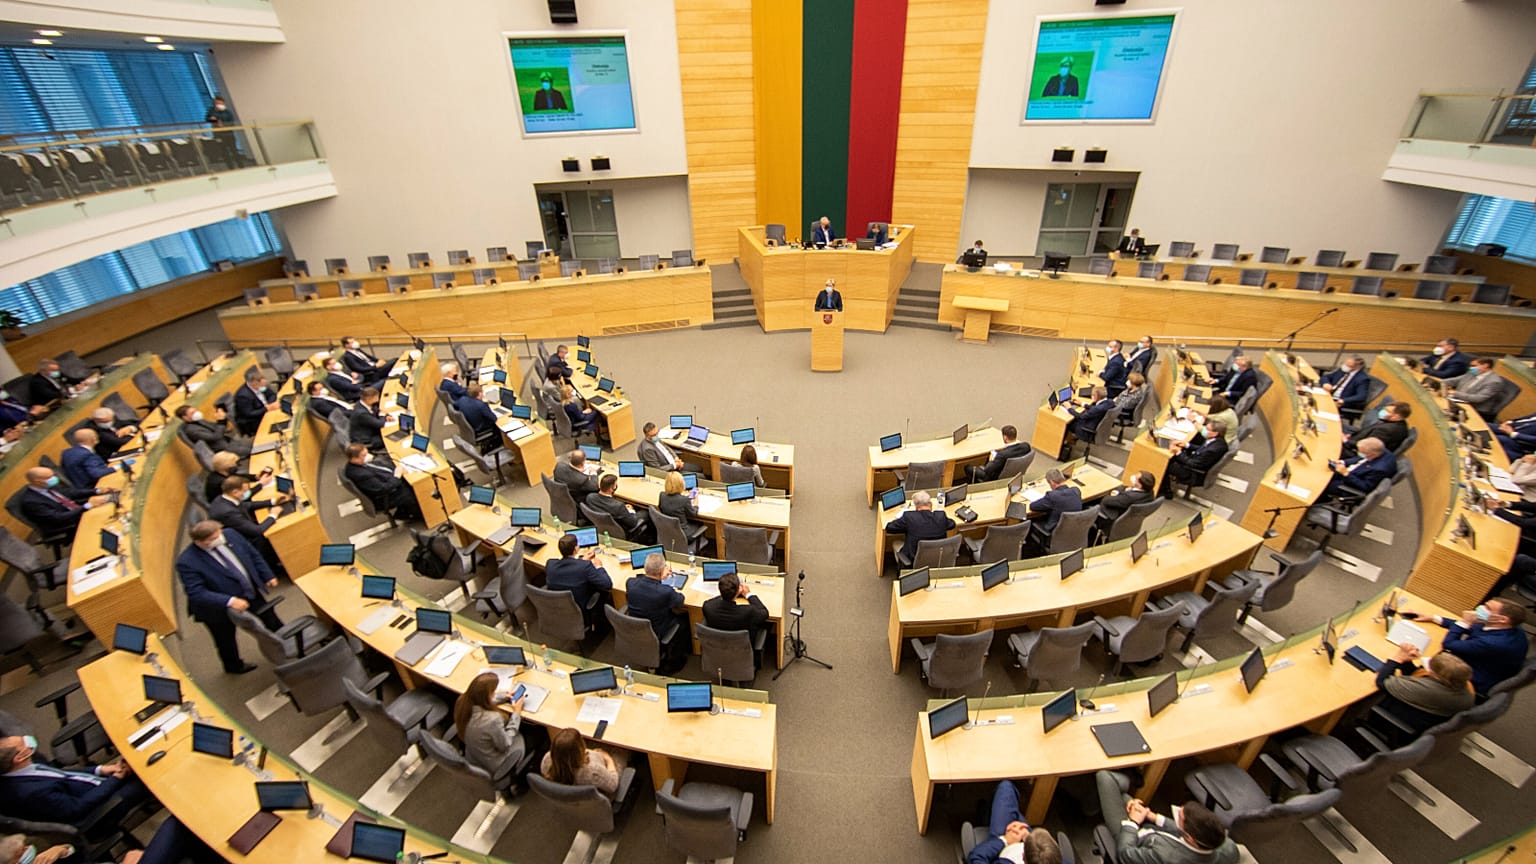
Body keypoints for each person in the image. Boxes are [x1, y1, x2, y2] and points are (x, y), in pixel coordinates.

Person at [175, 520, 282, 674]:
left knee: (270, 618)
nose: (221, 539)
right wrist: (230, 601)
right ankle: (233, 666)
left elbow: (252, 554)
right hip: (217, 608)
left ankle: (287, 642)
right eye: (215, 538)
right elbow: (196, 592)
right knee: (225, 640)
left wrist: (267, 575)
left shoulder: (230, 534)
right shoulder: (187, 562)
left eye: (220, 534)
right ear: (200, 542)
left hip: (248, 592)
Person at [0, 736, 150, 828]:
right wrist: (116, 779)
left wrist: (102, 769)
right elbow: (77, 808)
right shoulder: (31, 793)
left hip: (95, 785)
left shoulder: (25, 766)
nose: (27, 741)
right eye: (23, 743)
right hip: (101, 808)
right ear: (19, 758)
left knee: (138, 754)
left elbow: (63, 774)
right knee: (149, 774)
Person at [1095, 770, 1239, 864]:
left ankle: (1092, 800)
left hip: (1130, 837)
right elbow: (1181, 831)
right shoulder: (1227, 847)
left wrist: (1132, 822)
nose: (1175, 816)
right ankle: (1094, 799)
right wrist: (1153, 817)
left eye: (1179, 817)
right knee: (1124, 798)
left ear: (1189, 838)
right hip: (1151, 828)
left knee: (1104, 777)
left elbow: (1126, 854)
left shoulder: (1165, 856)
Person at [1402, 599, 1528, 696]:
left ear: (1502, 619)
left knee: (1408, 658)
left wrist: (1465, 622)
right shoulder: (1511, 627)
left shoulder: (1493, 643)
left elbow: (1449, 644)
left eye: (1488, 608)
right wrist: (1434, 618)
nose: (1481, 608)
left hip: (1467, 678)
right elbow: (1474, 627)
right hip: (1481, 663)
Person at [2, 817, 219, 864]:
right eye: (22, 852)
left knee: (135, 854)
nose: (29, 851)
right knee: (176, 824)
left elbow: (81, 857)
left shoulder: (40, 860)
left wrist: (62, 850)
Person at [1373, 644, 1475, 738]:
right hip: (1429, 715)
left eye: (1431, 669)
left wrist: (1397, 658)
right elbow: (1417, 675)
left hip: (1401, 721)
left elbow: (1382, 681)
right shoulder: (1466, 688)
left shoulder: (1427, 691)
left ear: (1437, 676)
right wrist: (1407, 660)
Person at [455, 673, 530, 788]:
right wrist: (516, 713)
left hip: (474, 756)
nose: (495, 693)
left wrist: (504, 697)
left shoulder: (462, 702)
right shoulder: (492, 720)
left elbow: (480, 701)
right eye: (493, 692)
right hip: (495, 763)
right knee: (528, 733)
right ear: (487, 695)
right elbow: (506, 744)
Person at [208, 473, 290, 578]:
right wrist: (273, 515)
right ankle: (276, 566)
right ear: (235, 492)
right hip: (241, 541)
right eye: (245, 491)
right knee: (275, 532)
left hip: (242, 529)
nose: (247, 493)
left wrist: (272, 502)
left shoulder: (224, 498)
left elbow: (247, 505)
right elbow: (256, 531)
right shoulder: (228, 513)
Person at [965, 780, 1062, 864]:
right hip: (1024, 841)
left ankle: (985, 812)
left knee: (1005, 788)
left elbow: (976, 857)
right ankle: (986, 811)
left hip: (1003, 847)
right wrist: (1028, 838)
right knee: (1008, 798)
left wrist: (1005, 840)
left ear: (1023, 856)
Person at [626, 553, 688, 673]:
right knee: (683, 620)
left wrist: (660, 577)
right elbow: (680, 601)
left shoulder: (631, 583)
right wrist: (665, 580)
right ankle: (676, 660)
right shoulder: (665, 592)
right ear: (661, 571)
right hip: (657, 630)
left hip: (636, 627)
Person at [17, 467, 110, 539]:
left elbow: (71, 493)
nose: (54, 478)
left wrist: (97, 491)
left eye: (52, 475)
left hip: (76, 511)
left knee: (110, 506)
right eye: (49, 477)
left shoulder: (47, 486)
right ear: (37, 482)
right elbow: (58, 517)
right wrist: (87, 506)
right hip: (67, 523)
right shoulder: (31, 502)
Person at [342, 443, 422, 522]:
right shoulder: (361, 475)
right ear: (354, 459)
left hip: (385, 482)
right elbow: (383, 488)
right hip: (384, 497)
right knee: (412, 489)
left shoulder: (355, 465)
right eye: (364, 455)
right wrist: (397, 476)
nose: (368, 457)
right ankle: (416, 514)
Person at [544, 532, 612, 624]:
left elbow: (569, 568)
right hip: (580, 607)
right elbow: (607, 584)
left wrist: (581, 561)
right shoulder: (585, 567)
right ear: (576, 548)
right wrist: (599, 566)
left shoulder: (550, 564)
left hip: (560, 606)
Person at [702, 571, 769, 658]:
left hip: (717, 650)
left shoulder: (707, 607)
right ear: (738, 590)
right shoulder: (748, 612)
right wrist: (748, 595)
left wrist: (728, 593)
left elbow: (714, 601)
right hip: (742, 652)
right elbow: (764, 613)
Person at [541, 727, 621, 798]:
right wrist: (608, 759)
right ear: (580, 748)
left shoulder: (546, 760)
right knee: (620, 751)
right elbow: (612, 785)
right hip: (595, 800)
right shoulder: (593, 771)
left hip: (569, 798)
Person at [1158, 421, 1229, 498]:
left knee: (1164, 463)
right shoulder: (1216, 441)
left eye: (1207, 429)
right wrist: (1187, 445)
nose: (1204, 430)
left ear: (1215, 433)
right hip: (1194, 461)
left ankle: (1166, 491)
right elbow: (1201, 450)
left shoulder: (1213, 449)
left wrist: (1178, 453)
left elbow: (1194, 464)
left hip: (1193, 472)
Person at [885, 491, 956, 567]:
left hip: (914, 559)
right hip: (938, 557)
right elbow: (952, 524)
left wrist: (905, 524)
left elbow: (889, 528)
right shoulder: (940, 516)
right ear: (930, 504)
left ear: (916, 506)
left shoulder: (909, 517)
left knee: (896, 543)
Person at [1320, 436, 1395, 503]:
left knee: (1322, 483)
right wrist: (1344, 462)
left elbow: (1364, 487)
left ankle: (1321, 500)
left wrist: (1346, 473)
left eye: (1362, 452)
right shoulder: (1380, 450)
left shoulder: (1379, 469)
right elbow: (1361, 458)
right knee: (1323, 470)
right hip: (1353, 471)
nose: (1359, 453)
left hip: (1350, 486)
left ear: (1373, 454)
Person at [1025, 469, 1083, 554]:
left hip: (1056, 530)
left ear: (1052, 482)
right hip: (1074, 528)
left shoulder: (1052, 496)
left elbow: (1033, 506)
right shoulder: (1076, 490)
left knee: (1032, 520)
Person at [584, 473, 652, 542]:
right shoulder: (618, 506)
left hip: (602, 526)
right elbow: (633, 523)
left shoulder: (590, 497)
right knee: (645, 512)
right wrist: (631, 511)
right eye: (615, 485)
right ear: (611, 489)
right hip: (621, 530)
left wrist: (624, 509)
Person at [1097, 471, 1156, 538]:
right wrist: (1121, 491)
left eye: (1136, 478)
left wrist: (1115, 493)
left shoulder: (1129, 497)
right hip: (1128, 518)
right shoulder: (1150, 492)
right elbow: (1124, 487)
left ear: (1139, 485)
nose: (1133, 477)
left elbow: (1106, 500)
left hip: (1113, 516)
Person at [175, 403, 250, 456]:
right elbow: (216, 437)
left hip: (228, 441)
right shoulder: (191, 431)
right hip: (222, 449)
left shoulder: (199, 420)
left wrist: (221, 418)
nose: (196, 413)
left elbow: (216, 427)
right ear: (185, 417)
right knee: (252, 450)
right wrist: (221, 422)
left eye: (195, 411)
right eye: (192, 413)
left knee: (254, 445)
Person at [638, 422, 703, 474]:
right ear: (647, 435)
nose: (656, 436)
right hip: (670, 470)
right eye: (653, 435)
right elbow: (657, 469)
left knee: (699, 468)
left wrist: (676, 458)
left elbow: (667, 448)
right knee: (701, 477)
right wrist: (675, 465)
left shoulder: (656, 438)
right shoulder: (648, 449)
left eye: (657, 433)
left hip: (675, 462)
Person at [232, 370, 278, 436]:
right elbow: (249, 413)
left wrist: (269, 405)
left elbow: (272, 395)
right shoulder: (243, 396)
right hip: (254, 421)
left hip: (265, 410)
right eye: (261, 385)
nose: (263, 387)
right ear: (254, 383)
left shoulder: (260, 386)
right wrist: (266, 408)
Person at [658, 470, 704, 535]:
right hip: (682, 533)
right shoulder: (684, 500)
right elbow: (693, 514)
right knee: (700, 523)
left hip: (668, 529)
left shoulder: (662, 495)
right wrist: (696, 502)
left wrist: (688, 498)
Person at [458, 382, 500, 450]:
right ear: (479, 394)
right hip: (480, 427)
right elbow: (494, 418)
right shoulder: (481, 405)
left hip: (471, 424)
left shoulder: (462, 400)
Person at [204, 93, 238, 165]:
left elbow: (232, 122)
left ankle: (241, 166)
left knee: (234, 150)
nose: (219, 104)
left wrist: (225, 126)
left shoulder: (227, 112)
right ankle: (230, 167)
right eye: (217, 103)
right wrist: (215, 120)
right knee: (224, 152)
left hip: (229, 134)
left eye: (221, 103)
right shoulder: (211, 111)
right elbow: (207, 119)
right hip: (219, 135)